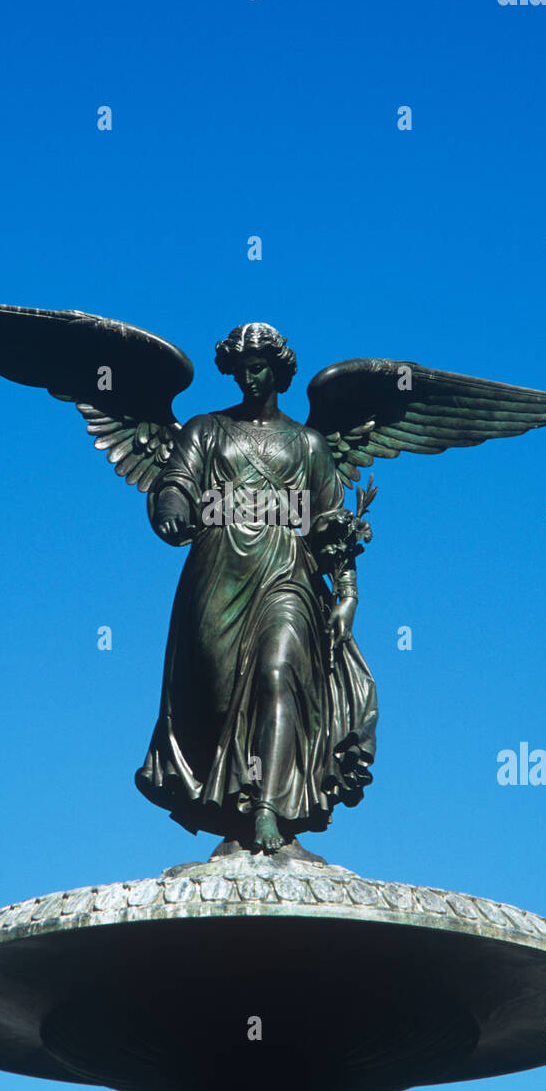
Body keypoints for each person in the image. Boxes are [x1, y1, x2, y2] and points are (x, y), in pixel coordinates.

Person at [136, 323, 377, 852]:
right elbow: (175, 483)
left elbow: (332, 524)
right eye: (242, 369)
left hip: (286, 571)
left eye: (260, 367)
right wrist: (172, 509)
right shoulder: (206, 429)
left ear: (280, 370)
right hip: (217, 572)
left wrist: (349, 593)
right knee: (219, 701)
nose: (251, 377)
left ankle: (269, 807)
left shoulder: (309, 445)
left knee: (278, 674)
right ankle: (234, 808)